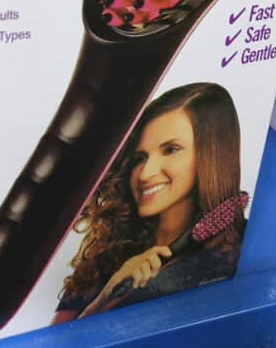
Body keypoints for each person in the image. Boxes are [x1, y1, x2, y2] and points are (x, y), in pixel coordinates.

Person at [53, 82, 246, 324]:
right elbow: (56, 339)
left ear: (211, 154)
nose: (145, 174)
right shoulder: (107, 252)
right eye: (140, 158)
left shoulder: (237, 252)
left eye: (171, 150)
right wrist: (105, 297)